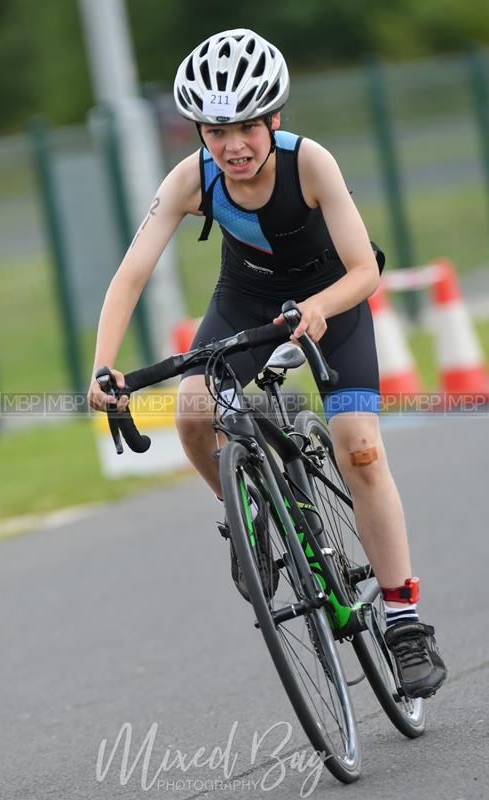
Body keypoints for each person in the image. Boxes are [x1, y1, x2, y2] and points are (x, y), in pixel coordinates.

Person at [88, 29, 446, 699]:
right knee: (192, 410)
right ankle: (247, 510)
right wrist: (103, 367)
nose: (233, 146)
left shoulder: (309, 162)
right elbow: (131, 274)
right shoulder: (189, 179)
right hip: (246, 301)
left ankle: (403, 624)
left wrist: (317, 307)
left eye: (247, 125)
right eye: (215, 130)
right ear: (197, 129)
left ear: (272, 118)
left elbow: (365, 269)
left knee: (359, 449)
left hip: (331, 300)